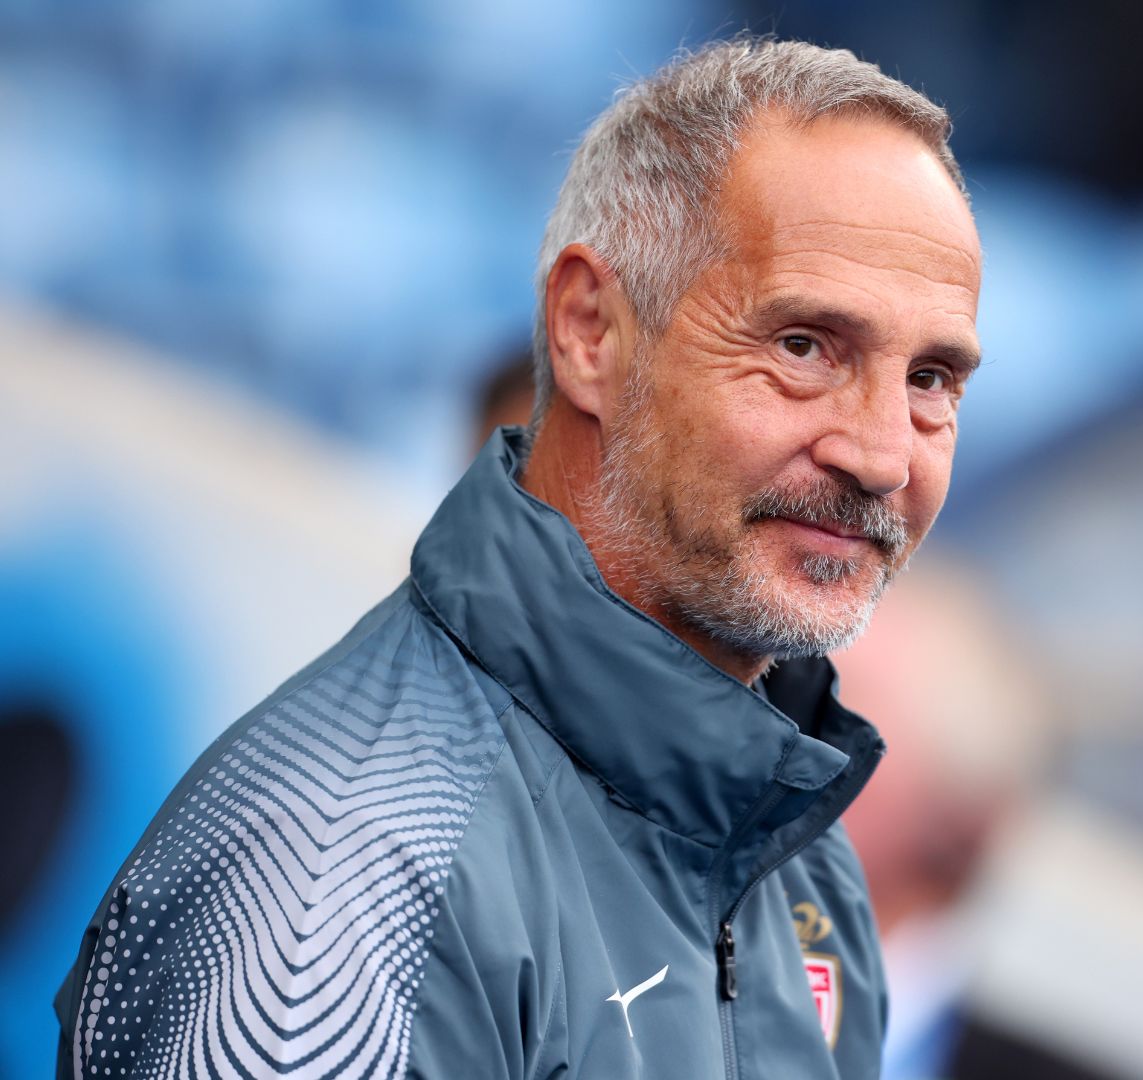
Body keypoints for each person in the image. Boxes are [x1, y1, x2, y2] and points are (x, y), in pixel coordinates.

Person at [54, 36, 981, 1080]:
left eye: (931, 379)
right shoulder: (343, 876)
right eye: (803, 346)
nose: (882, 456)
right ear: (589, 330)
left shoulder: (799, 856)